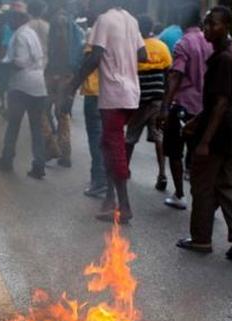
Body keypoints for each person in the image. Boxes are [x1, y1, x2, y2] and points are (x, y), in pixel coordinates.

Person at [175, 7, 232, 259]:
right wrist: (196, 122)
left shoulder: (223, 58)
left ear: (227, 26)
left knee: (202, 185)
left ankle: (200, 238)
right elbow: (220, 102)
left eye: (213, 24)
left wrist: (204, 141)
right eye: (206, 24)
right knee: (227, 183)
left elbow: (220, 104)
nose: (208, 29)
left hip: (220, 134)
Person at [71, 0, 145, 222]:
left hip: (114, 94)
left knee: (114, 149)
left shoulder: (104, 20)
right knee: (108, 145)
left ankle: (124, 206)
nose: (90, 5)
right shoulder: (131, 20)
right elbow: (142, 55)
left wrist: (72, 85)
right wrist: (123, 57)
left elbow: (94, 57)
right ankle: (109, 200)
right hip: (131, 93)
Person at [157, 8, 209, 211]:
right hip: (204, 108)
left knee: (175, 152)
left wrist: (165, 107)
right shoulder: (211, 41)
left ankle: (179, 194)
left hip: (183, 106)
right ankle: (201, 199)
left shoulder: (183, 43)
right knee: (198, 154)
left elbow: (176, 76)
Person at [0, 8, 48, 179]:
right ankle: (39, 165)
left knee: (13, 125)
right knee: (36, 128)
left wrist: (2, 65)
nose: (8, 22)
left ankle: (6, 160)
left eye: (10, 18)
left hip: (21, 86)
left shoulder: (19, 35)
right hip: (39, 85)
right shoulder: (31, 33)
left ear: (17, 19)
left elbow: (20, 62)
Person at [124, 14, 170, 187]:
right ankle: (162, 174)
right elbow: (168, 73)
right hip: (157, 99)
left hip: (139, 100)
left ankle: (124, 169)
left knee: (130, 137)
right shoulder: (162, 47)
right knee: (158, 137)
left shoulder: (134, 47)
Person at [42, 1, 80, 167]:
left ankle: (52, 146)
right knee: (62, 113)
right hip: (68, 73)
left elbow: (61, 44)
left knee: (42, 109)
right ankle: (66, 154)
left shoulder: (58, 19)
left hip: (57, 72)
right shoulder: (70, 19)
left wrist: (56, 69)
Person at [79, 30, 107, 198]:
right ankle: (103, 177)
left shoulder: (97, 33)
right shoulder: (126, 30)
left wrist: (73, 84)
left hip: (95, 92)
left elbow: (90, 61)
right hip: (113, 92)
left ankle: (99, 180)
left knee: (96, 138)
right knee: (107, 138)